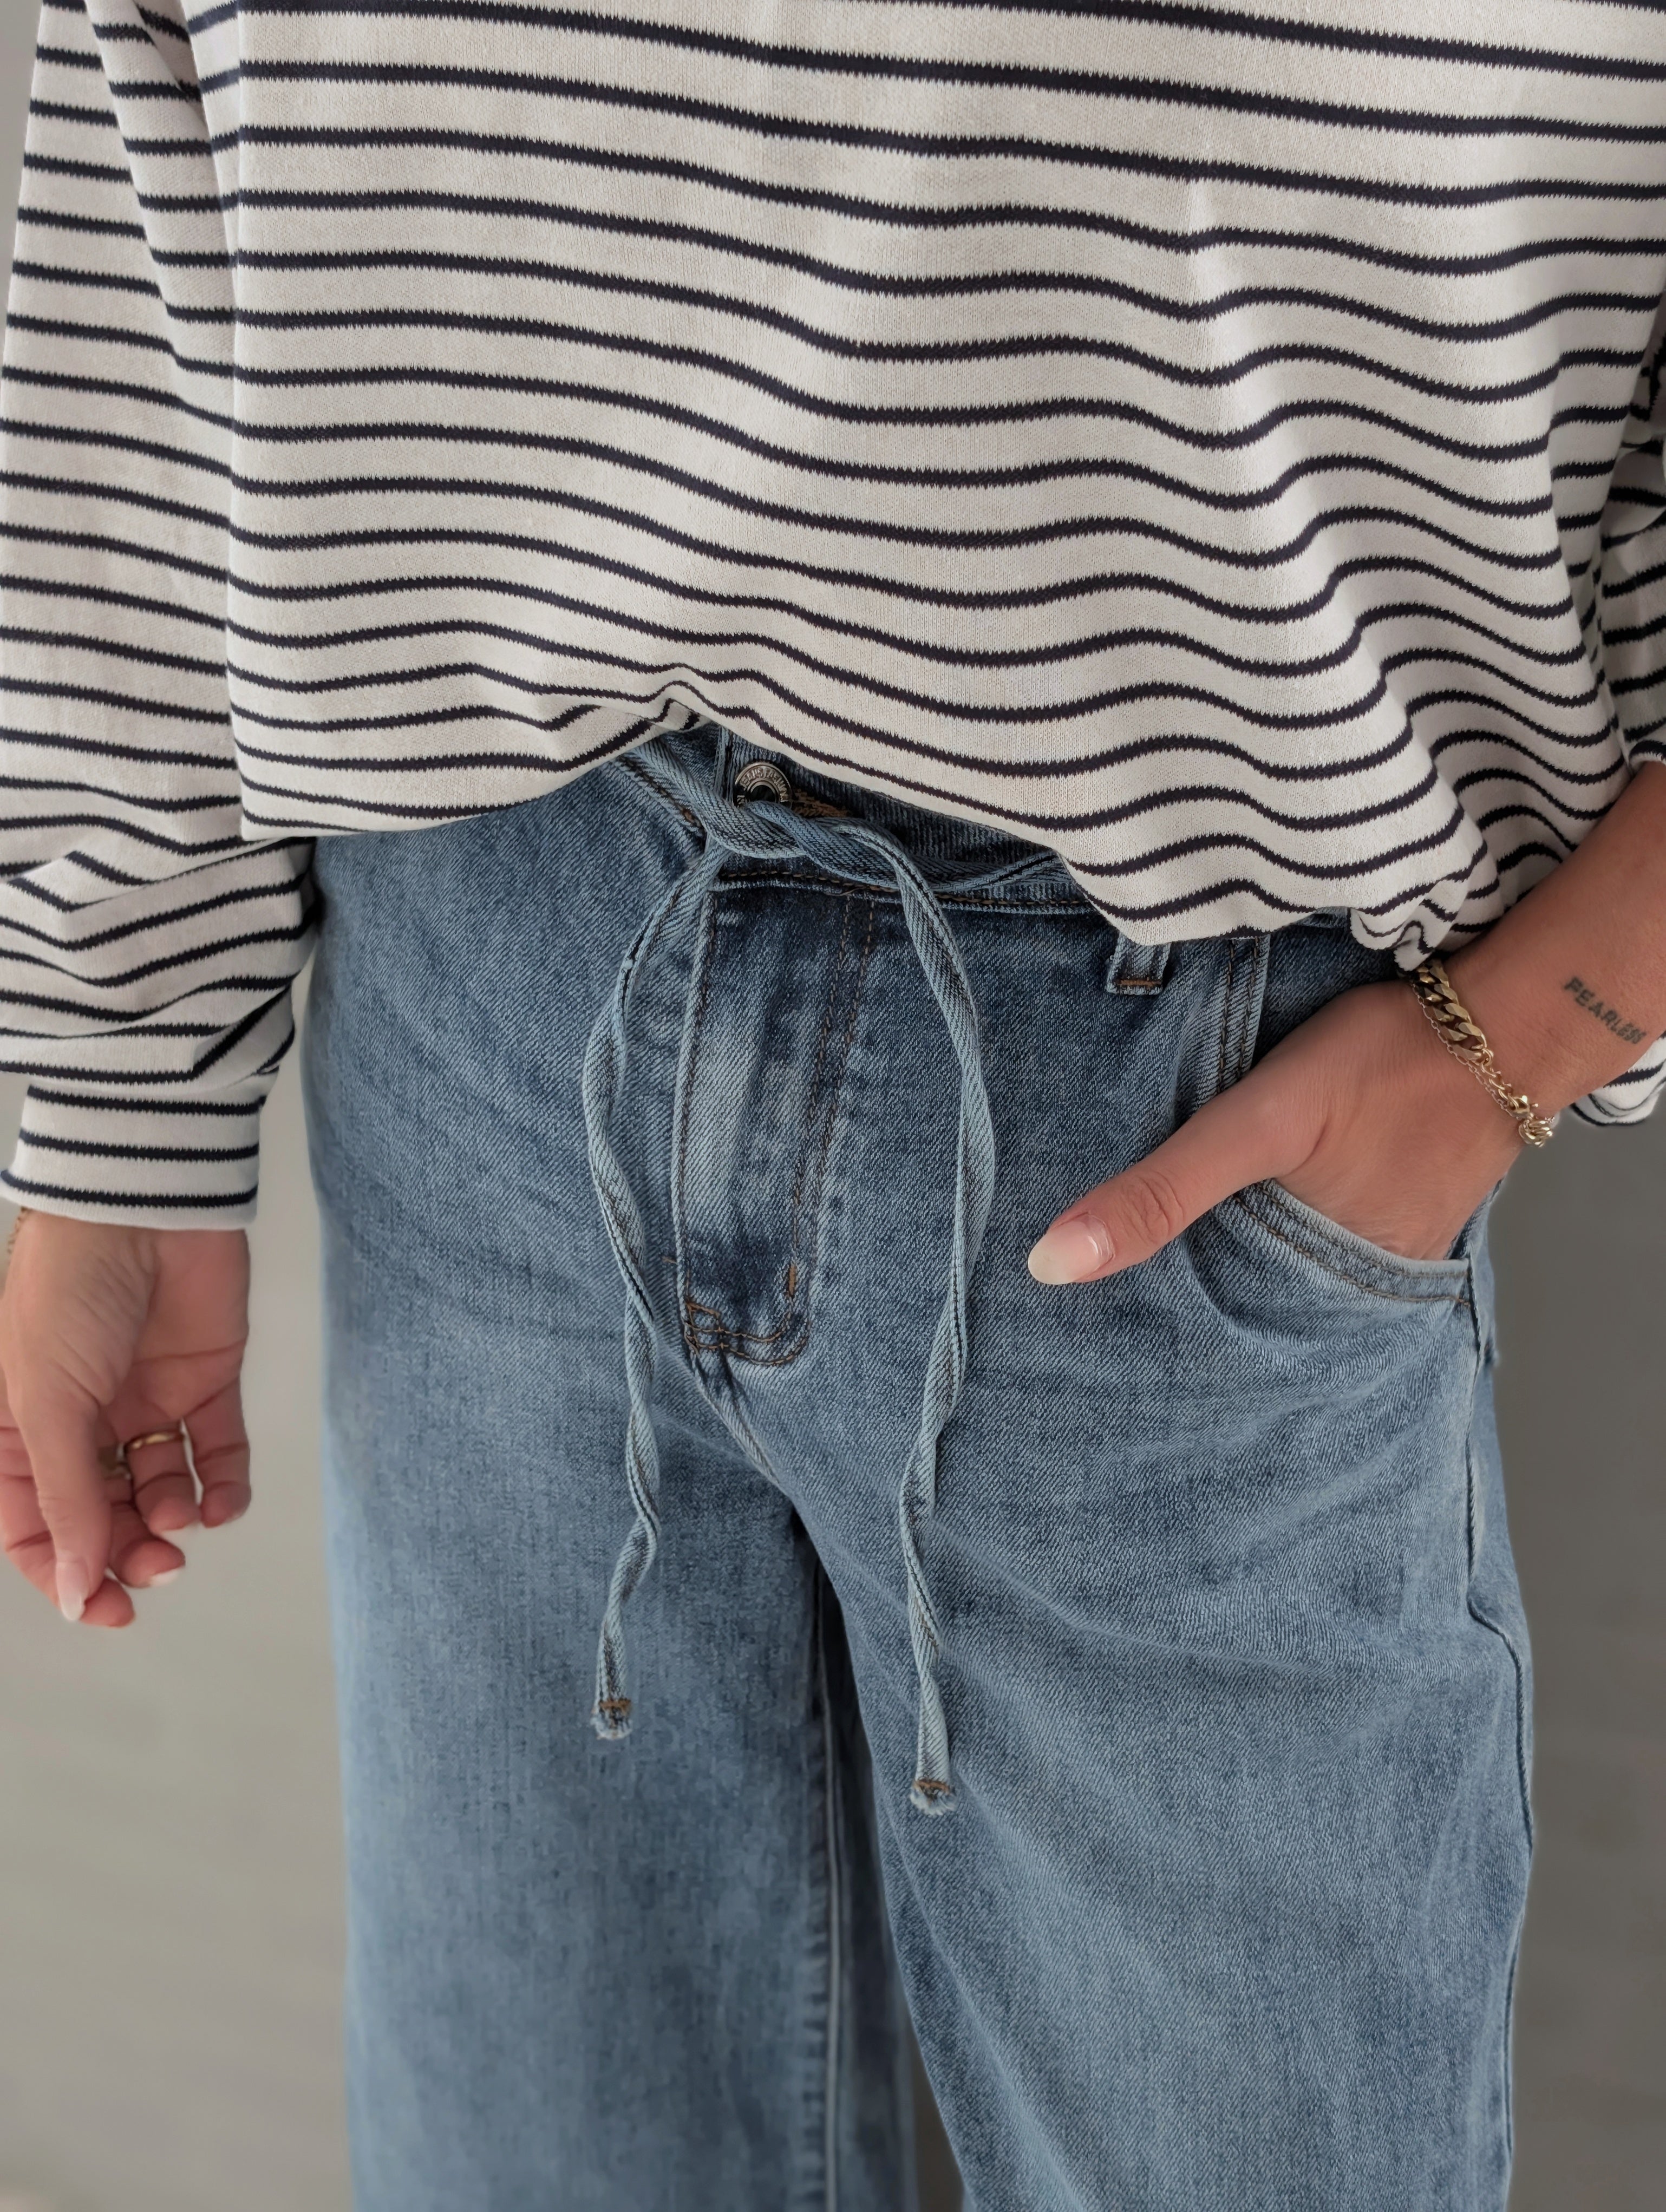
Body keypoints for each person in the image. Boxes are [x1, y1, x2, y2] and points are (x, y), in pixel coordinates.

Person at [2, 3, 1664, 2207]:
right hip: (483, 964)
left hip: (1196, 1069)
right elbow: (130, 132)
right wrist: (111, 1089)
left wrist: (1532, 1021)